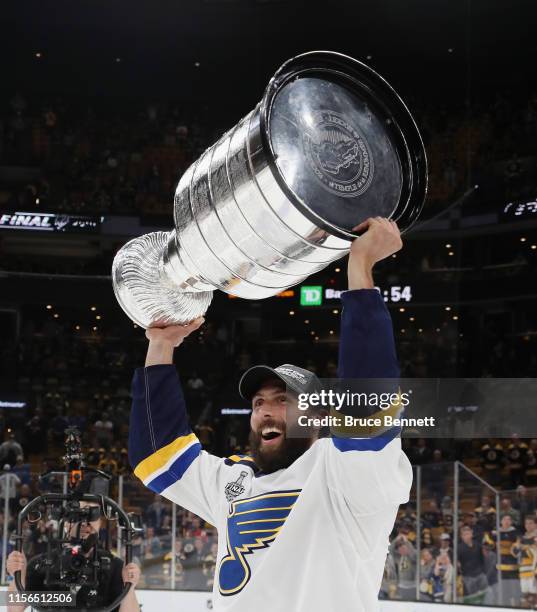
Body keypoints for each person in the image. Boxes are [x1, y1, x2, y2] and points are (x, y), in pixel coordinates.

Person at [129, 217, 413, 611]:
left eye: (283, 399)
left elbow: (367, 402)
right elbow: (156, 456)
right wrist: (160, 346)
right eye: (258, 403)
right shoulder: (233, 480)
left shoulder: (340, 475)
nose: (265, 411)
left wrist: (360, 269)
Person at [6, 500, 141, 612]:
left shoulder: (114, 566)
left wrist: (130, 586)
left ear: (100, 523)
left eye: (92, 514)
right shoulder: (42, 564)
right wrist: (18, 574)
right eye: (78, 513)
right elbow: (14, 609)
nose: (84, 522)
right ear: (66, 522)